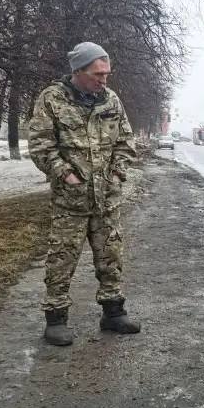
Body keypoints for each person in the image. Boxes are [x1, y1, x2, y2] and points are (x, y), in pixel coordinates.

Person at [28, 42, 141, 346]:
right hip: (70, 200)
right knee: (61, 259)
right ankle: (56, 320)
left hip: (107, 199)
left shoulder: (111, 100)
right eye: (97, 74)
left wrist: (117, 172)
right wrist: (65, 173)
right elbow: (40, 144)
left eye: (106, 73)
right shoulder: (52, 99)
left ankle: (113, 313)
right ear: (78, 71)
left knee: (111, 256)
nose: (103, 79)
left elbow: (126, 141)